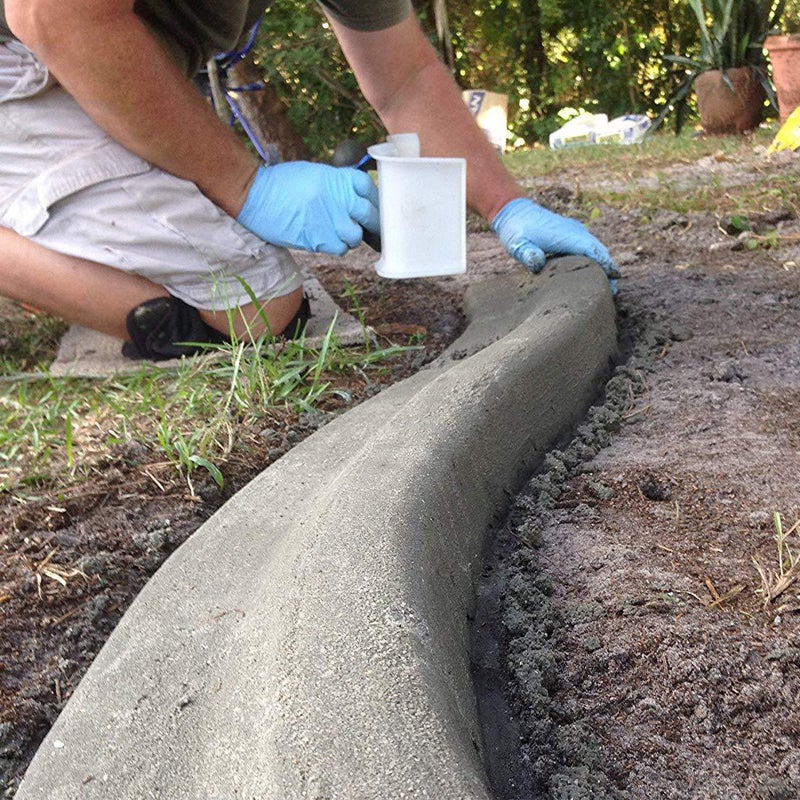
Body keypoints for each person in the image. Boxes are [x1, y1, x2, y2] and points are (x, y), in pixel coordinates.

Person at [0, 0, 617, 361]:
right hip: (31, 55)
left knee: (251, 303)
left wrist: (507, 206)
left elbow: (403, 75)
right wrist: (249, 188)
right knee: (257, 310)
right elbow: (54, 14)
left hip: (102, 65)